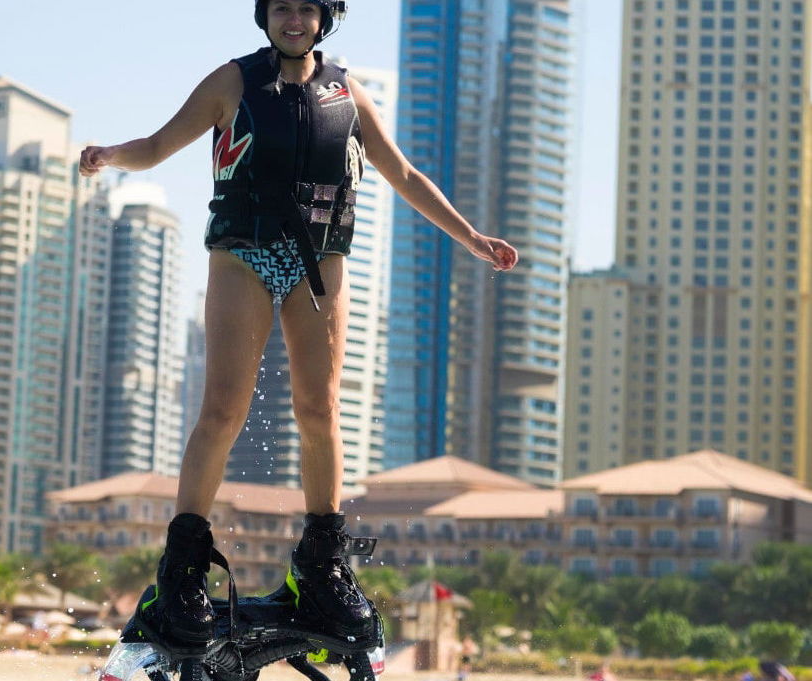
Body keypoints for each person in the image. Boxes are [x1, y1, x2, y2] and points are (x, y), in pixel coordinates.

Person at [80, 0, 518, 652]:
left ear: (324, 17)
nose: (293, 19)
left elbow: (402, 173)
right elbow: (158, 144)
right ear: (266, 16)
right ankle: (182, 574)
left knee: (320, 410)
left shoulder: (347, 91)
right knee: (223, 408)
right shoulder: (233, 82)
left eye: (305, 9)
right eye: (281, 7)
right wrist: (109, 155)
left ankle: (320, 566)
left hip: (321, 262)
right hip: (243, 253)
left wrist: (473, 236)